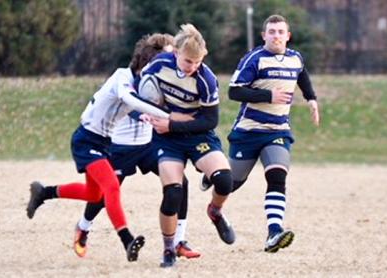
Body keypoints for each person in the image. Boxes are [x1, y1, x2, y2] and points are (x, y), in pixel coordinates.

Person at [26, 35, 175, 262]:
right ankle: (127, 240)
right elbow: (132, 101)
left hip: (104, 141)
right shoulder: (121, 77)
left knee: (94, 194)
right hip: (86, 140)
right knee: (111, 187)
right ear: (145, 64)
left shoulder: (142, 85)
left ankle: (44, 192)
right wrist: (171, 118)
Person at [73, 33, 200, 260]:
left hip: (148, 145)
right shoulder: (128, 79)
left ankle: (178, 241)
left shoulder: (165, 79)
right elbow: (135, 106)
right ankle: (83, 227)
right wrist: (166, 117)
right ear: (150, 61)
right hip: (120, 147)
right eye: (166, 58)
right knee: (102, 195)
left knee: (180, 183)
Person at [200, 14, 320, 253]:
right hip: (248, 132)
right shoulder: (254, 59)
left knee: (277, 175)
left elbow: (302, 75)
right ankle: (214, 204)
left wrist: (311, 98)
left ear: (288, 36)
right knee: (230, 184)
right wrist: (269, 96)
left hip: (277, 131)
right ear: (264, 35)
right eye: (272, 32)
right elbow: (234, 92)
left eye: (280, 32)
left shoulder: (295, 58)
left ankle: (274, 232)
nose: (276, 36)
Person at [138, 23, 235, 268]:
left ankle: (215, 211)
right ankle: (169, 249)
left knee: (224, 181)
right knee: (173, 193)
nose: (193, 67)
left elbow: (210, 120)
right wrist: (152, 110)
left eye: (197, 62)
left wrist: (172, 122)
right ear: (176, 53)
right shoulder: (160, 65)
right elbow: (143, 89)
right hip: (167, 140)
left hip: (197, 135)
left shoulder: (206, 80)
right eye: (188, 61)